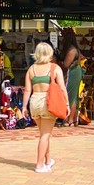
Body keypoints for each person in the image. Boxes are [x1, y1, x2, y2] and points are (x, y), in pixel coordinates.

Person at [22, 41, 68, 173]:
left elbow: (27, 90)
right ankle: (39, 165)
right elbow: (62, 88)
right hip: (48, 101)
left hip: (35, 101)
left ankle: (48, 160)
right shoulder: (54, 68)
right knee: (45, 135)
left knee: (44, 133)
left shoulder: (31, 69)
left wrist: (24, 107)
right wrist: (67, 103)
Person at [58, 28, 82, 127]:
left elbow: (65, 65)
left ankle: (70, 120)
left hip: (72, 73)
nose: (62, 39)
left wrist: (57, 62)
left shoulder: (72, 50)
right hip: (73, 71)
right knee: (74, 96)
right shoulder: (71, 48)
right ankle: (73, 120)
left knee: (70, 95)